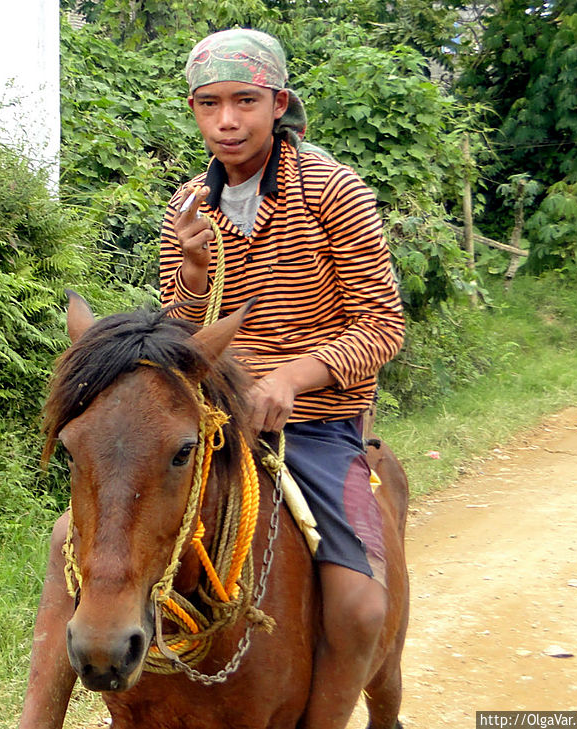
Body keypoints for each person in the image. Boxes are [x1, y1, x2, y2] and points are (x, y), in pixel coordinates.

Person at [159, 28, 405, 729]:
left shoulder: (331, 190)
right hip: (214, 421)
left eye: (245, 101)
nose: (226, 121)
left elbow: (382, 325)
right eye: (209, 105)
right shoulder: (186, 206)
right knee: (78, 547)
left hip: (319, 426)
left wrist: (292, 378)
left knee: (358, 606)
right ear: (194, 109)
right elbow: (180, 334)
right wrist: (197, 269)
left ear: (278, 104)